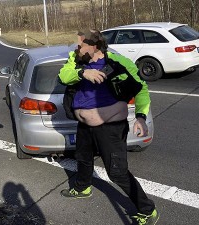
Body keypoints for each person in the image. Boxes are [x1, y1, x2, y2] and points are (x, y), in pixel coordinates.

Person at [58, 29, 159, 225]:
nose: (76, 49)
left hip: (111, 128)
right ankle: (82, 188)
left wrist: (140, 117)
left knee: (117, 172)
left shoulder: (117, 62)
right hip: (84, 126)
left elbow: (141, 88)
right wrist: (82, 73)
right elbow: (63, 76)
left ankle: (148, 210)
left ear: (94, 46)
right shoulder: (77, 60)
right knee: (83, 157)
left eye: (80, 45)